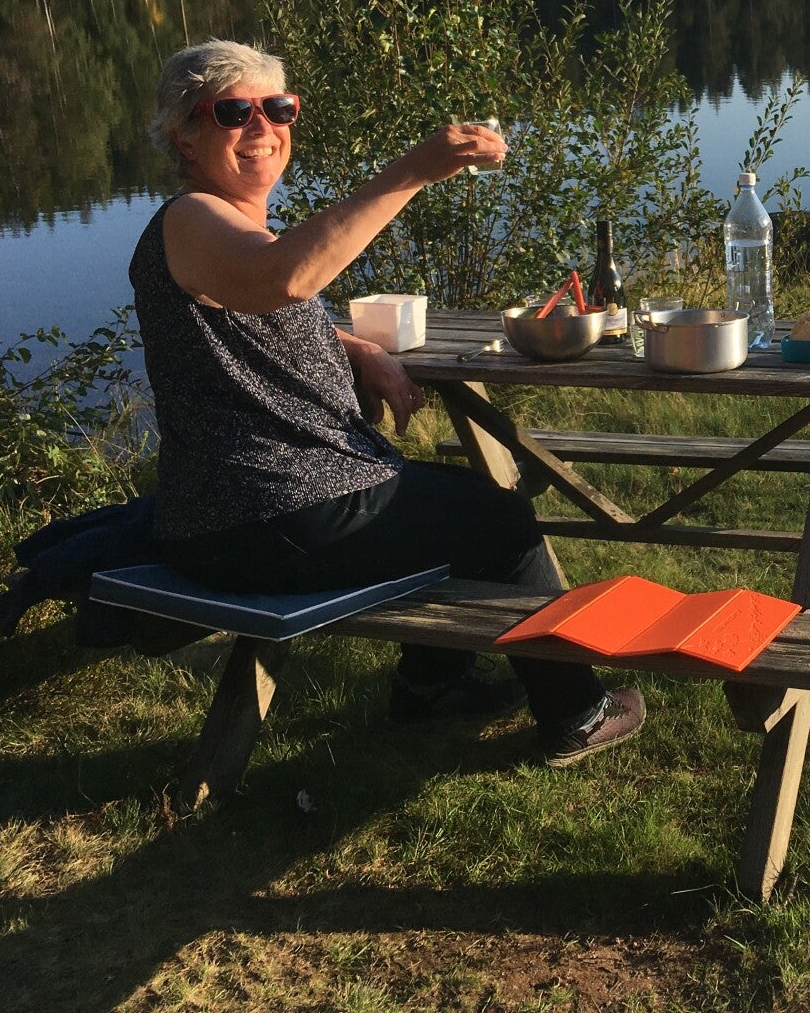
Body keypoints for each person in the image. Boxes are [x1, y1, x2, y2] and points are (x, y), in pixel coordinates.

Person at [132, 38, 643, 766]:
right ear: (184, 134)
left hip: (249, 511)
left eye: (278, 108)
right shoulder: (190, 219)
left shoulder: (229, 227)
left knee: (446, 504)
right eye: (234, 112)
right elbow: (283, 279)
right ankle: (577, 714)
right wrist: (414, 169)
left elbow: (256, 306)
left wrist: (357, 348)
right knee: (496, 520)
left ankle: (430, 687)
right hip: (261, 518)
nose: (263, 127)